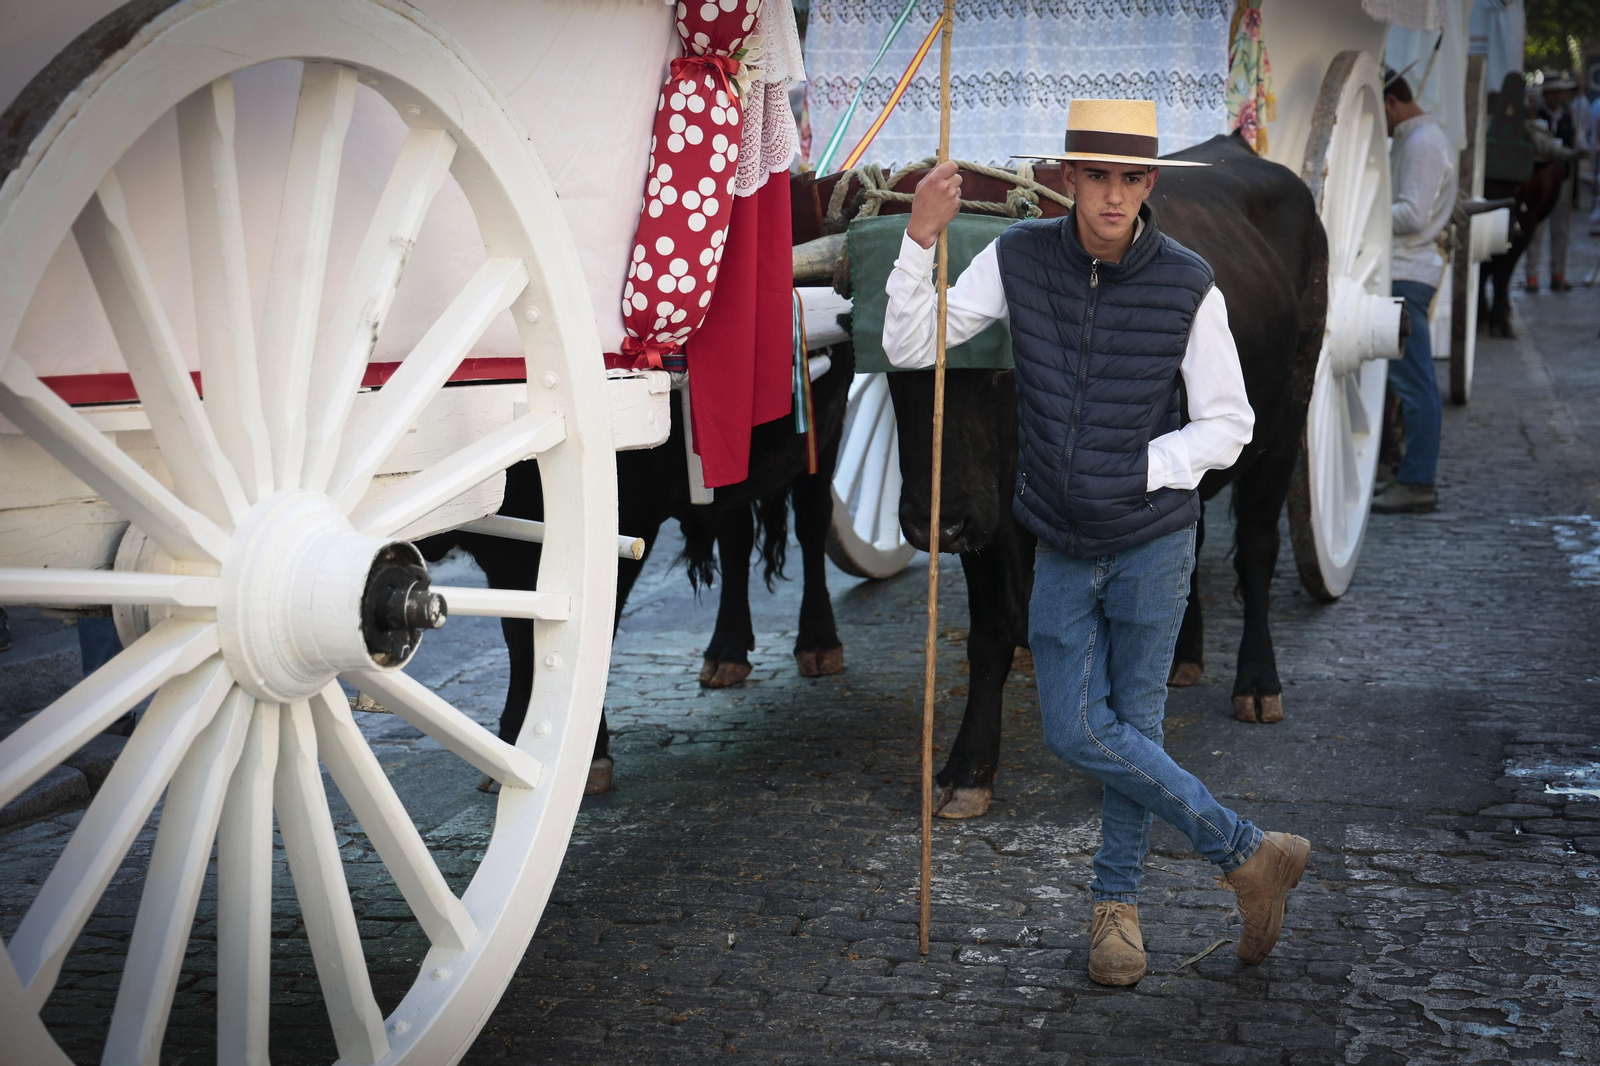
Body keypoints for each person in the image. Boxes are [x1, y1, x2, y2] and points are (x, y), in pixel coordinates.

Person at [882, 99, 1310, 987]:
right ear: (1069, 179)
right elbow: (914, 344)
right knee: (1080, 730)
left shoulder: (1189, 282)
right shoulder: (1016, 257)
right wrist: (920, 238)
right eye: (1098, 177)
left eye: (1131, 179)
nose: (1114, 197)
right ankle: (1248, 854)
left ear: (1149, 184)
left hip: (1154, 543)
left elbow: (1230, 424)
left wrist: (1141, 466)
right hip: (1062, 544)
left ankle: (1116, 916)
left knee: (1133, 730)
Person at [1374, 69, 1455, 515]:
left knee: (1414, 383)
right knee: (1412, 380)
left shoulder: (1422, 143)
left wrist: (1360, 215)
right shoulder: (1419, 139)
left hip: (1407, 272)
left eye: (1380, 111)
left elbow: (1412, 215)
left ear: (1391, 103)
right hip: (1405, 269)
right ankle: (1410, 472)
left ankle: (1419, 480)